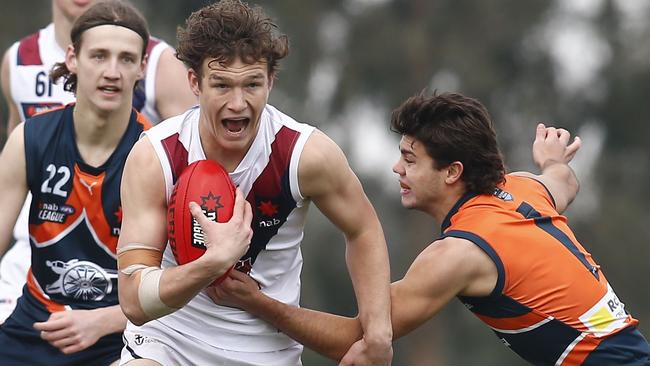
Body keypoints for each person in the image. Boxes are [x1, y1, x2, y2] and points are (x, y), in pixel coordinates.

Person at [214, 92, 650, 366]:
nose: (396, 168)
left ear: (451, 172)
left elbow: (358, 338)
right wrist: (552, 160)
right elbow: (564, 181)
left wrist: (260, 303)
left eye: (410, 159)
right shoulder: (524, 189)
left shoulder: (458, 255)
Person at [116, 1, 393, 365]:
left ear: (271, 82)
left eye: (252, 84)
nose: (237, 103)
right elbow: (134, 300)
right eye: (221, 85)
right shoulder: (156, 156)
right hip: (168, 341)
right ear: (194, 83)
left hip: (266, 350)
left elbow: (363, 229)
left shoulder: (304, 154)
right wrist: (212, 263)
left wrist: (378, 333)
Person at [0, 0, 197, 323]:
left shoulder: (160, 72)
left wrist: (107, 320)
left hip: (124, 281)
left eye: (126, 60)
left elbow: (195, 161)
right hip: (32, 264)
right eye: (99, 56)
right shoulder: (19, 62)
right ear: (72, 58)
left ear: (140, 65)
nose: (111, 72)